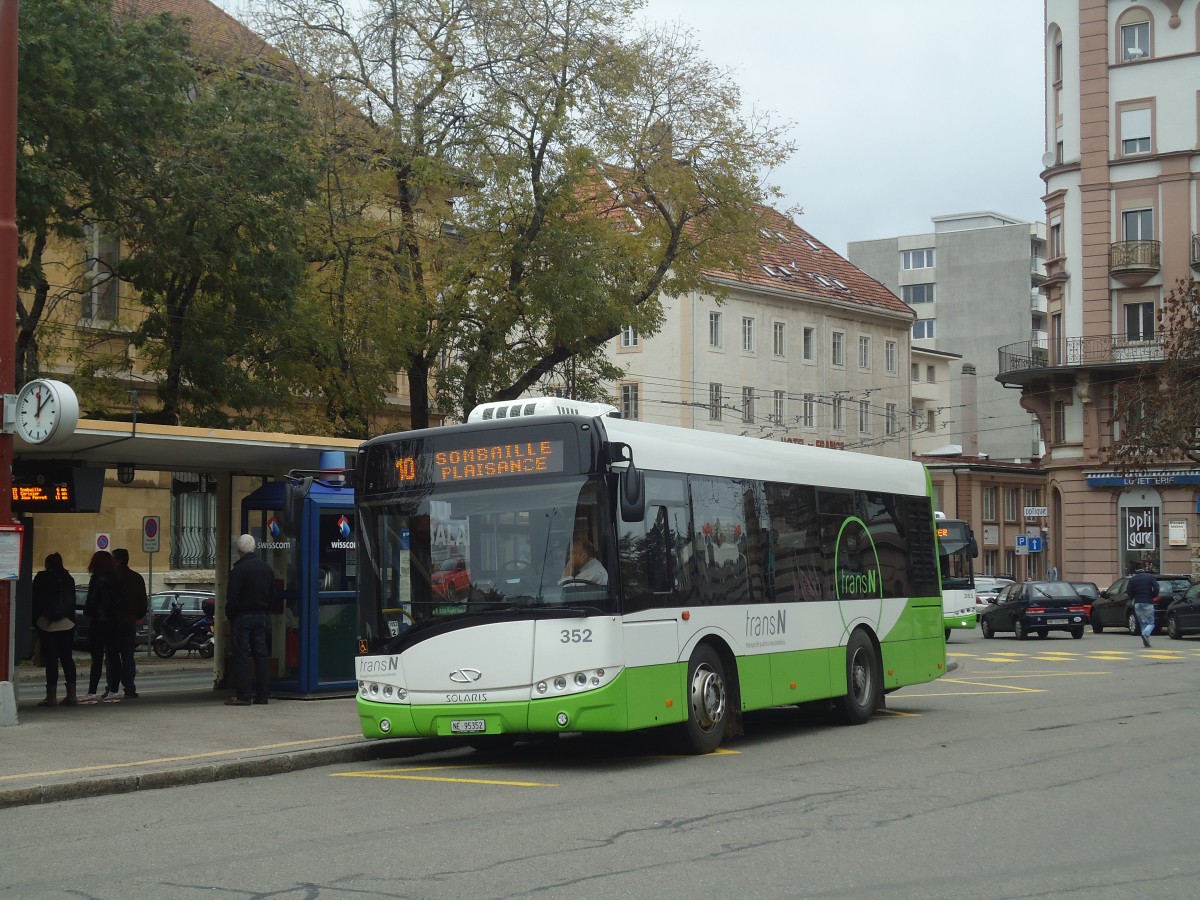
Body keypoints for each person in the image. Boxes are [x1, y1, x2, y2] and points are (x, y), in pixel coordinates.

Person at [225, 534, 275, 706]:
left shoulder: (238, 571)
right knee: (261, 655)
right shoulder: (266, 569)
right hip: (261, 615)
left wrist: (231, 615)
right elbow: (272, 596)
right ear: (254, 548)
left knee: (241, 655)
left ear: (239, 551)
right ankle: (263, 694)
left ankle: (244, 695)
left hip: (242, 616)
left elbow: (232, 598)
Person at [30, 553, 78, 707]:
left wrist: (36, 621)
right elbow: (72, 601)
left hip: (46, 622)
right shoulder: (68, 578)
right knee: (67, 658)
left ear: (47, 564)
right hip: (67, 623)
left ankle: (51, 697)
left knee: (51, 659)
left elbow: (34, 601)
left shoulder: (41, 578)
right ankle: (72, 695)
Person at [80, 550, 124, 703]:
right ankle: (114, 691)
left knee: (97, 659)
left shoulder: (96, 579)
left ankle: (92, 693)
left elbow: (91, 603)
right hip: (113, 622)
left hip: (98, 622)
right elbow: (121, 602)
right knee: (114, 657)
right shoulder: (117, 579)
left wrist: (87, 612)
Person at [111, 548, 148, 699]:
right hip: (130, 620)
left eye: (112, 559)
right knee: (128, 656)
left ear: (118, 560)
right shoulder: (137, 578)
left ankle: (112, 688)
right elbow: (143, 603)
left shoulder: (112, 578)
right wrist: (136, 615)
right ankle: (129, 687)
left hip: (114, 621)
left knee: (112, 657)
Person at [1127, 563, 1159, 648]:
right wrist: (1153, 595)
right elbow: (1156, 587)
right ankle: (1145, 634)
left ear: (1135, 570)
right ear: (1143, 568)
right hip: (1148, 601)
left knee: (1142, 623)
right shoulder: (1149, 577)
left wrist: (1133, 597)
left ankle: (1146, 642)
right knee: (1151, 622)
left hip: (1137, 602)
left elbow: (1129, 591)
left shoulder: (1133, 579)